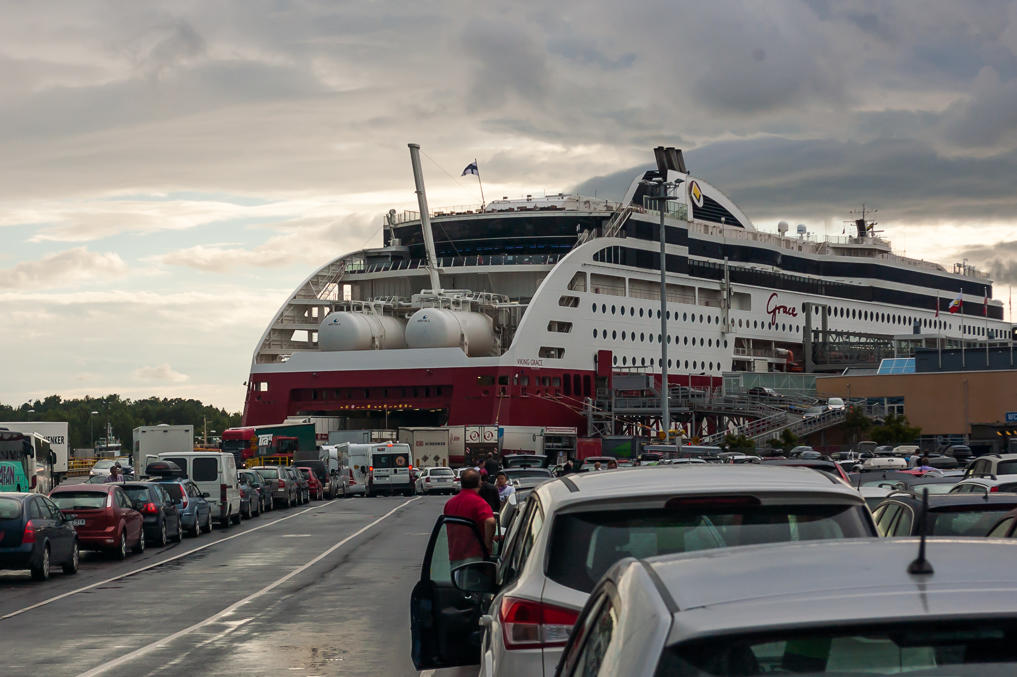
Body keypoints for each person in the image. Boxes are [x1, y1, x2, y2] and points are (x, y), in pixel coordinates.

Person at [443, 469, 496, 567]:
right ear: (479, 483)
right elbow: (490, 521)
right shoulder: (479, 503)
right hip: (475, 556)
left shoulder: (449, 504)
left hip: (455, 555)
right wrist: (487, 545)